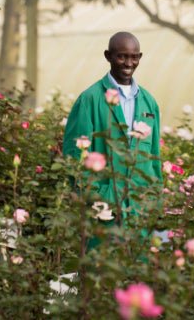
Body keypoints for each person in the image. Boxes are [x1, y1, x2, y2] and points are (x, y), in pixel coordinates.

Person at [62, 31, 163, 222]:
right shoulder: (90, 99)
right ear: (108, 56)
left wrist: (155, 202)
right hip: (103, 211)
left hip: (141, 210)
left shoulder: (149, 103)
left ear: (140, 57)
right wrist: (96, 197)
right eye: (121, 56)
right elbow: (75, 154)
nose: (128, 63)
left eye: (134, 57)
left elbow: (154, 157)